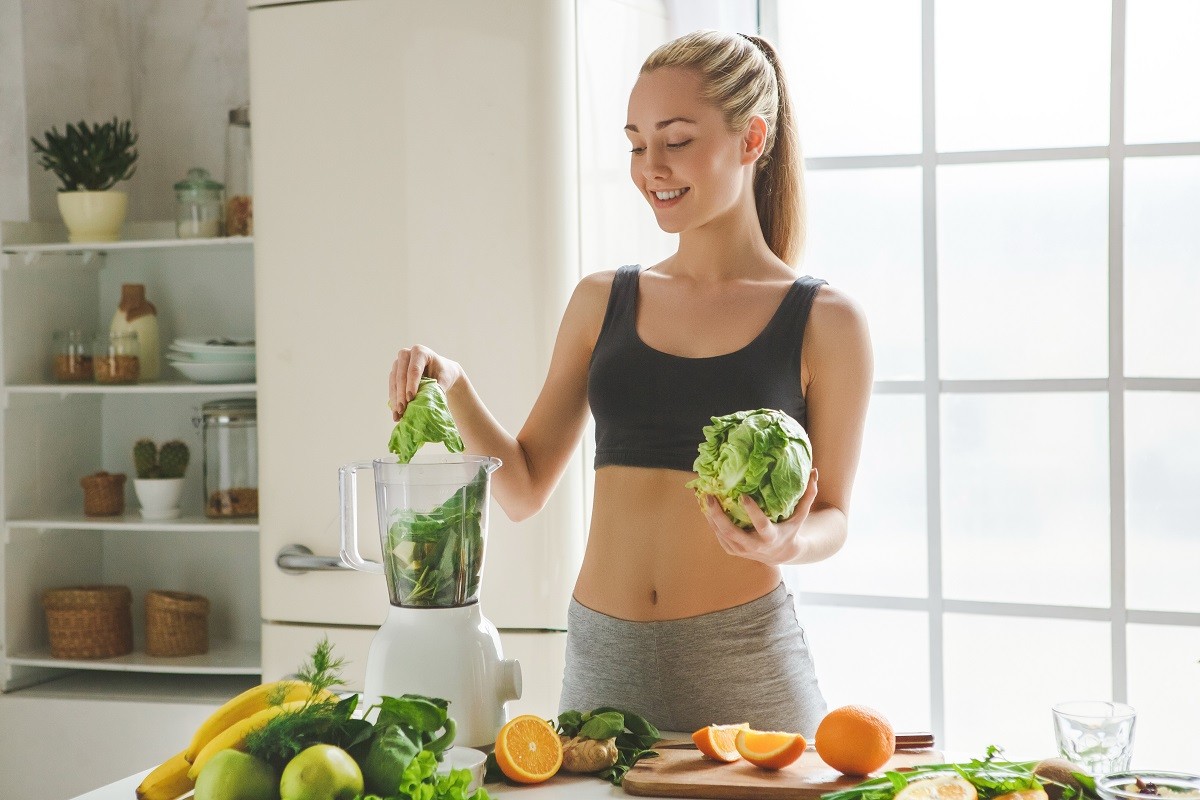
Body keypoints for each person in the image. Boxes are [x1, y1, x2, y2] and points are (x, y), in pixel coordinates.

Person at [388, 29, 872, 736]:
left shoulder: (826, 320)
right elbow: (522, 487)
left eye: (676, 140)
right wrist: (454, 382)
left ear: (751, 139)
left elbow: (833, 515)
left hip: (743, 660)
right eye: (636, 144)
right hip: (604, 661)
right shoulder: (601, 300)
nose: (652, 168)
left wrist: (786, 545)